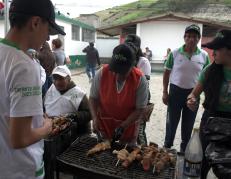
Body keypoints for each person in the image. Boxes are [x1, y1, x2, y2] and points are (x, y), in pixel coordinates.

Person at [0, 0, 65, 178]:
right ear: (35, 23)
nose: (47, 39)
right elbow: (19, 138)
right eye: (48, 31)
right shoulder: (24, 65)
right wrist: (46, 127)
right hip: (22, 169)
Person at [187, 29, 231, 179]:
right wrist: (191, 100)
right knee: (205, 161)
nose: (213, 53)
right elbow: (193, 94)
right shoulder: (209, 71)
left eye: (217, 49)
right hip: (211, 121)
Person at [162, 24, 210, 152]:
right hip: (175, 91)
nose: (191, 39)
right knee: (171, 121)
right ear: (184, 38)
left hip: (194, 94)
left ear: (199, 39)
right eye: (188, 36)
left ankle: (184, 149)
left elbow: (206, 78)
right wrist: (164, 92)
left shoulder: (204, 56)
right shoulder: (175, 53)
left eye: (194, 36)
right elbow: (166, 73)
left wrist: (207, 97)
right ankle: (167, 146)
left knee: (188, 123)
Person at [89, 43, 148, 145]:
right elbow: (93, 98)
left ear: (132, 66)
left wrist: (123, 126)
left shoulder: (140, 79)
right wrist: (94, 118)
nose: (117, 75)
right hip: (105, 124)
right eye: (115, 70)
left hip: (128, 126)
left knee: (125, 154)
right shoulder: (101, 73)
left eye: (122, 72)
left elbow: (140, 109)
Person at [44, 65, 92, 136]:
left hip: (72, 134)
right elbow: (44, 105)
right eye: (54, 79)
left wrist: (72, 116)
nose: (57, 82)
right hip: (51, 130)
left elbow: (90, 114)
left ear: (69, 79)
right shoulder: (51, 89)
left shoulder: (78, 94)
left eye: (61, 79)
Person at [125, 34, 152, 146]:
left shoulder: (143, 62)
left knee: (139, 131)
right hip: (126, 97)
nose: (129, 49)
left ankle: (144, 152)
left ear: (138, 48)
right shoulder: (123, 59)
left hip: (141, 98)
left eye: (132, 46)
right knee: (127, 127)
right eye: (127, 46)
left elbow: (143, 84)